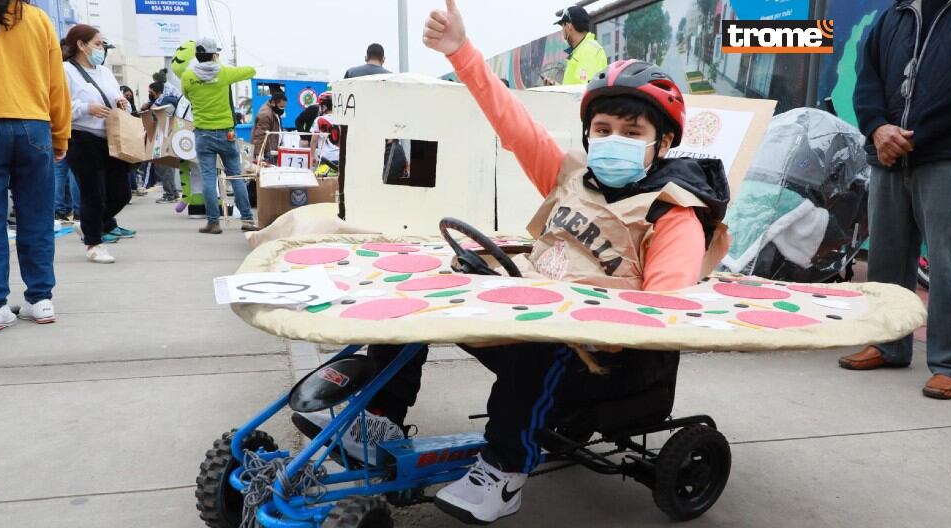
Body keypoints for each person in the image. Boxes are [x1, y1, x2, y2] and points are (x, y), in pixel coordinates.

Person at [294, 1, 729, 524]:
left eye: (632, 133)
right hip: (528, 317)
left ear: (663, 142)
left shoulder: (673, 214)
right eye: (604, 129)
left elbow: (665, 313)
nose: (613, 140)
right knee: (417, 299)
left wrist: (566, 315)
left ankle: (504, 470)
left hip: (601, 357)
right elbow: (514, 124)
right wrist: (461, 51)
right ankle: (380, 417)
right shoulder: (572, 178)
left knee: (543, 345)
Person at [841, 0, 951, 400]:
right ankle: (887, 344)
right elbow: (867, 79)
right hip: (888, 155)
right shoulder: (894, 14)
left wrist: (911, 136)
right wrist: (878, 128)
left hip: (950, 156)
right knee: (886, 258)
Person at [0, 0, 71, 330]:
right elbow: (56, 82)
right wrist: (61, 134)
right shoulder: (38, 19)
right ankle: (40, 299)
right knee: (37, 215)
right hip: (34, 124)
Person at [62, 24, 135, 264]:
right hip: (82, 138)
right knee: (93, 194)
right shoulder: (65, 70)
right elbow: (59, 106)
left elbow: (116, 98)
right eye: (97, 43)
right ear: (81, 45)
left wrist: (123, 103)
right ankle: (94, 244)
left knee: (121, 193)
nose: (101, 48)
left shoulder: (104, 72)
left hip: (111, 138)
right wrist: (87, 108)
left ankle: (88, 224)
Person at [181, 37, 259, 234]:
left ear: (197, 55)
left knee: (209, 178)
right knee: (235, 176)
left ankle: (213, 223)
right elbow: (251, 70)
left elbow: (188, 96)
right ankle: (248, 220)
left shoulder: (187, 76)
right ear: (214, 54)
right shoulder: (224, 72)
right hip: (227, 133)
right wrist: (219, 65)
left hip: (203, 134)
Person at [542, 5, 608, 86]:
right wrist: (557, 88)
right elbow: (576, 88)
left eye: (562, 25)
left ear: (568, 26)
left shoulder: (588, 49)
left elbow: (583, 88)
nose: (562, 30)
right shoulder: (580, 50)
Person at [251, 92, 286, 163]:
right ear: (273, 103)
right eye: (281, 106)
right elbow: (260, 135)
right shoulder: (266, 114)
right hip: (267, 153)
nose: (282, 109)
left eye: (284, 107)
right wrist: (259, 154)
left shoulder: (274, 111)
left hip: (273, 151)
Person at [313, 92, 339, 168]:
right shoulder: (342, 119)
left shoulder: (319, 120)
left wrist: (312, 156)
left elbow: (314, 140)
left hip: (325, 158)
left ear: (324, 106)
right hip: (340, 156)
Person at [53, 156, 80, 221]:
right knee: (75, 172)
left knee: (58, 173)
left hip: (59, 149)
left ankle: (58, 211)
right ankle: (78, 213)